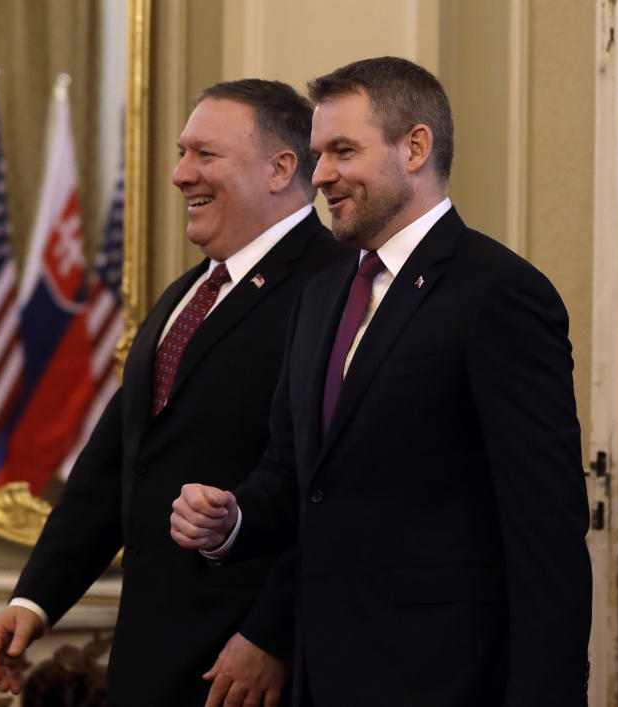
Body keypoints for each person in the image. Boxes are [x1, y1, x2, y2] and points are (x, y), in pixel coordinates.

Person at [170, 57, 592, 706]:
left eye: (343, 151)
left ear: (415, 147)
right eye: (317, 155)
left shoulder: (500, 293)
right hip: (321, 677)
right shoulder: (320, 298)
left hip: (447, 680)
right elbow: (295, 475)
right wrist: (232, 518)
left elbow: (546, 534)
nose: (321, 176)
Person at [0, 78, 350, 707]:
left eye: (205, 155)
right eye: (183, 153)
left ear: (280, 168)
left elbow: (339, 489)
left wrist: (273, 635)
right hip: (153, 658)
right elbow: (117, 461)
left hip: (253, 672)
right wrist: (37, 597)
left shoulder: (336, 288)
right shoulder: (187, 293)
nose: (181, 174)